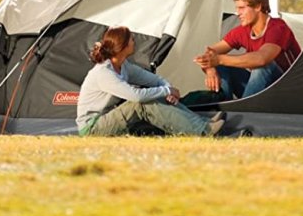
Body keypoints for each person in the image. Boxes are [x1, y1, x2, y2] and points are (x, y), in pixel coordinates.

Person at [76, 26, 224, 137]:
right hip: (92, 128)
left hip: (110, 116)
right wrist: (166, 91)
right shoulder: (104, 72)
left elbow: (153, 80)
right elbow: (136, 96)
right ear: (123, 46)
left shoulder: (123, 65)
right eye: (132, 39)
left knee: (155, 94)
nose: (134, 42)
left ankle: (201, 123)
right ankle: (203, 131)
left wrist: (167, 89)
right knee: (140, 104)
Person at [194, 0, 302, 100]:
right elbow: (209, 53)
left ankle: (242, 111)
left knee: (264, 66)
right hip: (263, 90)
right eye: (237, 8)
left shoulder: (278, 28)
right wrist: (210, 68)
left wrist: (218, 59)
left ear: (257, 6)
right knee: (219, 66)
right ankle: (222, 107)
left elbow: (262, 59)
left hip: (287, 91)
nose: (237, 13)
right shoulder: (243, 30)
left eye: (241, 8)